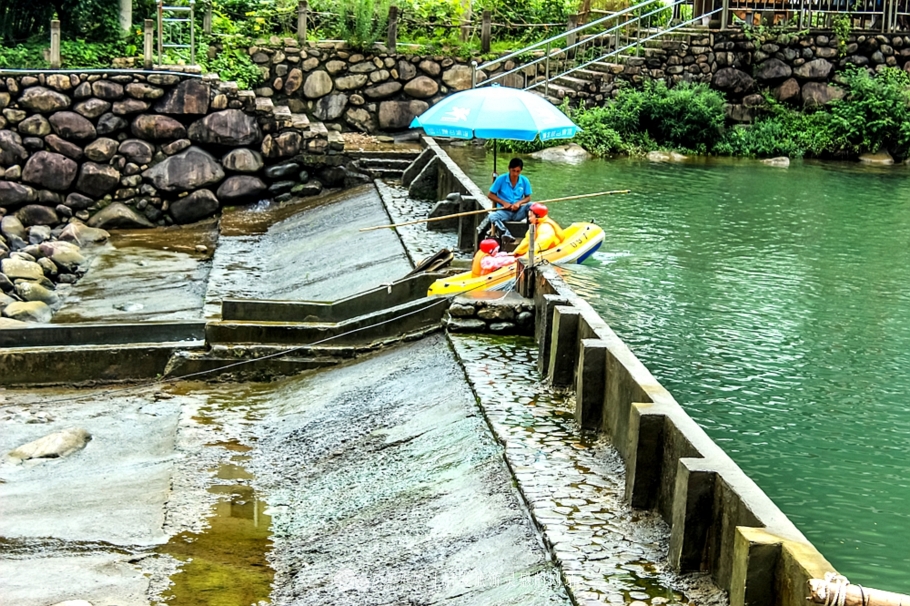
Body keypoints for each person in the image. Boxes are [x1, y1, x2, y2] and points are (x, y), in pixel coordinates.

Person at [477, 157, 533, 243]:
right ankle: (505, 233)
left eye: (518, 171)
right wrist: (503, 203)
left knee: (532, 206)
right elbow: (490, 195)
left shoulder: (524, 181)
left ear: (521, 171)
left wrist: (519, 203)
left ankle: (531, 233)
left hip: (518, 212)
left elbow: (528, 197)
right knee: (492, 216)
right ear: (509, 169)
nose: (515, 174)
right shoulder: (501, 179)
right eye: (513, 171)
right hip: (504, 211)